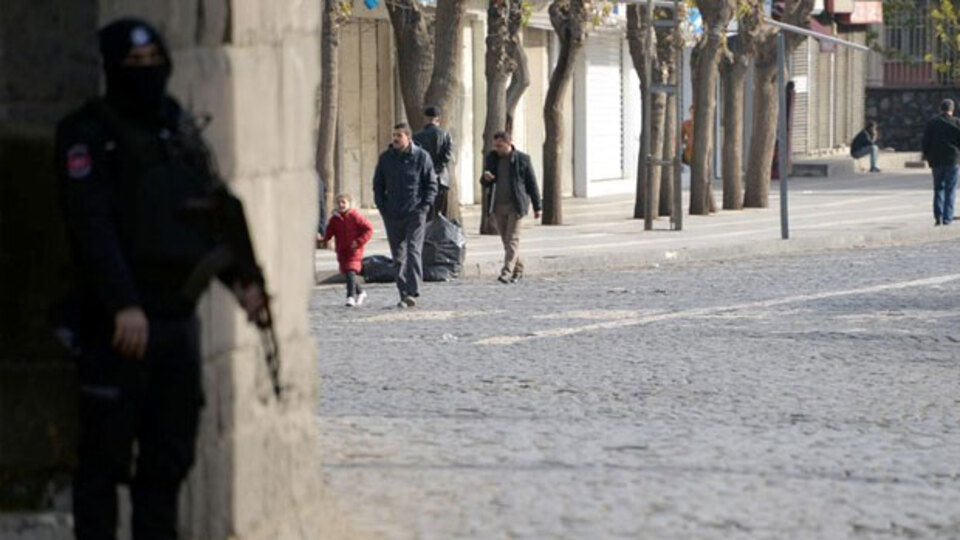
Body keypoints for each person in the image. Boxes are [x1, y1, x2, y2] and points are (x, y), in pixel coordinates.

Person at [55, 19, 266, 540]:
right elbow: (91, 226)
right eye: (135, 67)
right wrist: (123, 303)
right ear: (112, 69)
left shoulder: (175, 125)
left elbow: (211, 211)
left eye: (154, 65)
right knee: (102, 462)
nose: (146, 75)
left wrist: (244, 279)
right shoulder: (88, 133)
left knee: (167, 463)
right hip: (117, 324)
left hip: (175, 319)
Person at [373, 123, 438, 307]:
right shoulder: (386, 158)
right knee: (398, 256)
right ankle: (403, 292)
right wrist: (382, 207)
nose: (394, 139)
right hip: (392, 213)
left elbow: (431, 184)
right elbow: (378, 184)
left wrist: (425, 206)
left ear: (408, 137)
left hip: (415, 213)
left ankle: (413, 289)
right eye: (393, 135)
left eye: (398, 136)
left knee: (413, 250)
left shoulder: (421, 157)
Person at [480, 131, 542, 284]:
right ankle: (518, 268)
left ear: (509, 143)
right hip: (498, 205)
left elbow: (532, 183)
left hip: (516, 205)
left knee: (513, 238)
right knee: (506, 241)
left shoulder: (522, 159)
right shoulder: (492, 158)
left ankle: (506, 271)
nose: (497, 149)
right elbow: (485, 181)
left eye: (500, 146)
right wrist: (486, 178)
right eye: (495, 146)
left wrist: (537, 206)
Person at [319, 193, 373, 306]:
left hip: (354, 249)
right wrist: (322, 239)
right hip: (342, 250)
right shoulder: (334, 219)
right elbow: (329, 233)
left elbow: (368, 229)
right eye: (339, 203)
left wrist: (359, 242)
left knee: (350, 270)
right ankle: (361, 291)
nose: (341, 205)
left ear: (349, 204)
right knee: (348, 273)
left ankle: (350, 296)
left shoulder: (355, 216)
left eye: (343, 202)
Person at [921, 98, 960, 226]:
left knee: (938, 188)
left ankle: (938, 217)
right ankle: (947, 218)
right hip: (952, 160)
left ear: (940, 109)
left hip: (936, 160)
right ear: (952, 110)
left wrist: (926, 155)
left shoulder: (932, 122)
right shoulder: (956, 123)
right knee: (951, 189)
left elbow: (925, 140)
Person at [413, 106, 454, 220]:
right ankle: (439, 236)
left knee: (425, 211)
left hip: (423, 178)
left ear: (426, 119)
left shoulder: (417, 136)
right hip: (442, 178)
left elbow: (416, 157)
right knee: (441, 211)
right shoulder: (446, 135)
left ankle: (427, 235)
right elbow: (447, 156)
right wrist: (437, 170)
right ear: (438, 119)